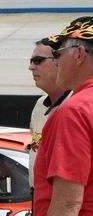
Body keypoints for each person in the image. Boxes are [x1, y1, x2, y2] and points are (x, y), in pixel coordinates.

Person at [33, 16, 93, 216]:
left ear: (79, 54)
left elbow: (68, 202)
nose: (55, 61)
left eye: (58, 53)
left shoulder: (74, 110)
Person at [28, 41, 71, 190]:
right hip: (37, 197)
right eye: (31, 61)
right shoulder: (40, 105)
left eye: (38, 61)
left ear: (59, 62)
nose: (31, 67)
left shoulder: (76, 105)